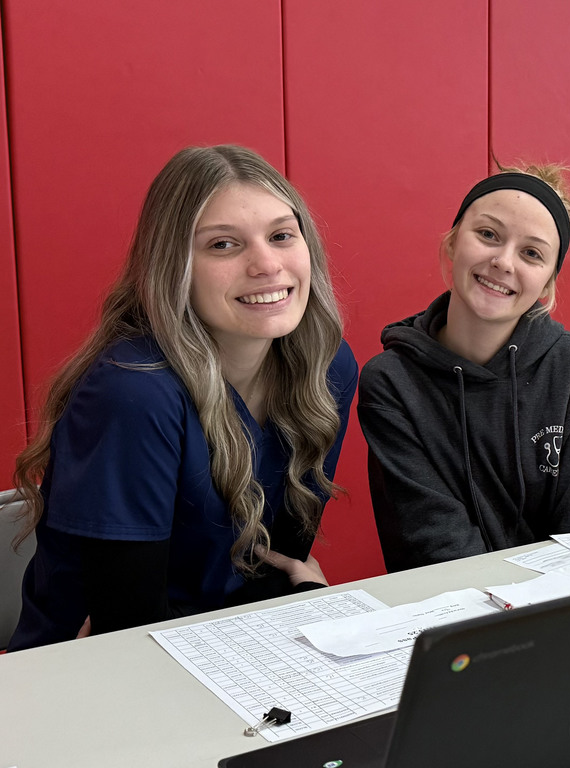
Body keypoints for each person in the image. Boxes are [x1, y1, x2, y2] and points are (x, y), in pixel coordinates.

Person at [7, 145, 358, 650]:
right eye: (222, 245)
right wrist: (293, 596)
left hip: (237, 651)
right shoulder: (132, 393)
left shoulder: (326, 365)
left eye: (282, 235)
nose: (266, 264)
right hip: (91, 681)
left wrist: (289, 596)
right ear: (174, 267)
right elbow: (129, 628)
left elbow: (281, 563)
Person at [358, 164, 570, 571]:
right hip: (453, 612)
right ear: (452, 242)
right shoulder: (392, 382)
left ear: (548, 283)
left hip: (562, 610)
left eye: (531, 253)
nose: (503, 261)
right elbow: (433, 548)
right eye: (488, 235)